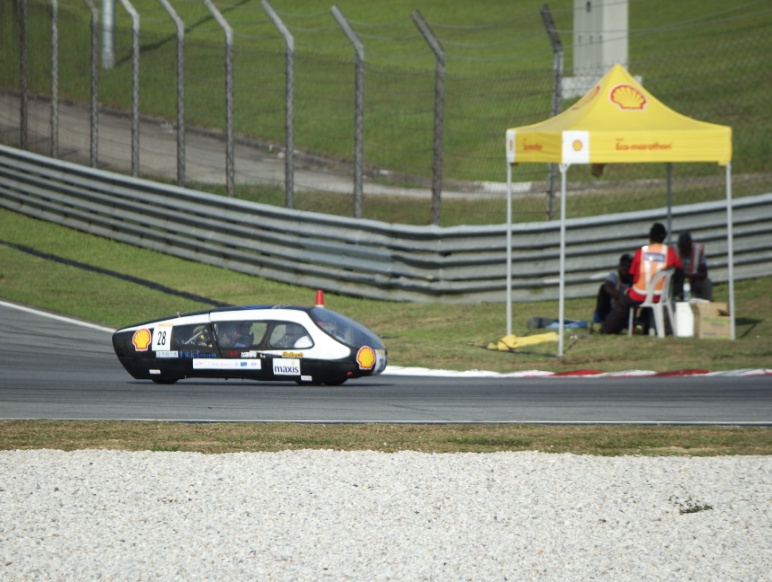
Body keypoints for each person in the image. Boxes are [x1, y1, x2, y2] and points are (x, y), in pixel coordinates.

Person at [600, 222, 683, 335]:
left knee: (623, 302)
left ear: (650, 236)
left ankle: (608, 329)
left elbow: (632, 274)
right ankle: (643, 324)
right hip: (661, 295)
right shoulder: (670, 253)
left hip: (640, 294)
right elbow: (679, 271)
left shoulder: (641, 252)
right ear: (664, 237)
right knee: (643, 303)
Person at [593, 253, 633, 325]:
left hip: (623, 312)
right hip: (609, 310)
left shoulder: (633, 279)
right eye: (622, 265)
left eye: (628, 266)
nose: (625, 268)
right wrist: (624, 299)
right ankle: (602, 319)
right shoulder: (614, 275)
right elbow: (607, 288)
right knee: (603, 288)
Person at [677, 231, 713, 300]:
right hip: (679, 282)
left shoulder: (698, 250)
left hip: (694, 281)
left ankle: (708, 303)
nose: (686, 252)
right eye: (684, 250)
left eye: (687, 249)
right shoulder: (674, 250)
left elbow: (704, 273)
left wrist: (694, 276)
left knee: (706, 282)